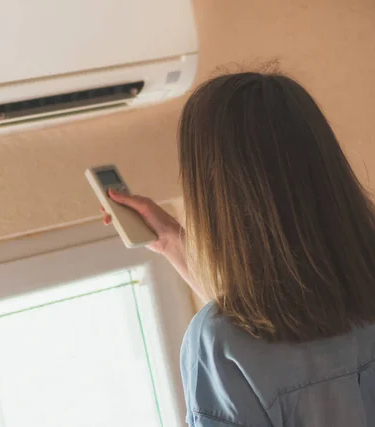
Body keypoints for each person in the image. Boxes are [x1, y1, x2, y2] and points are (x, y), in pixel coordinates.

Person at [104, 72, 375, 426]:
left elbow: (265, 343)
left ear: (215, 195)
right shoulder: (358, 286)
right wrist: (172, 241)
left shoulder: (220, 346)